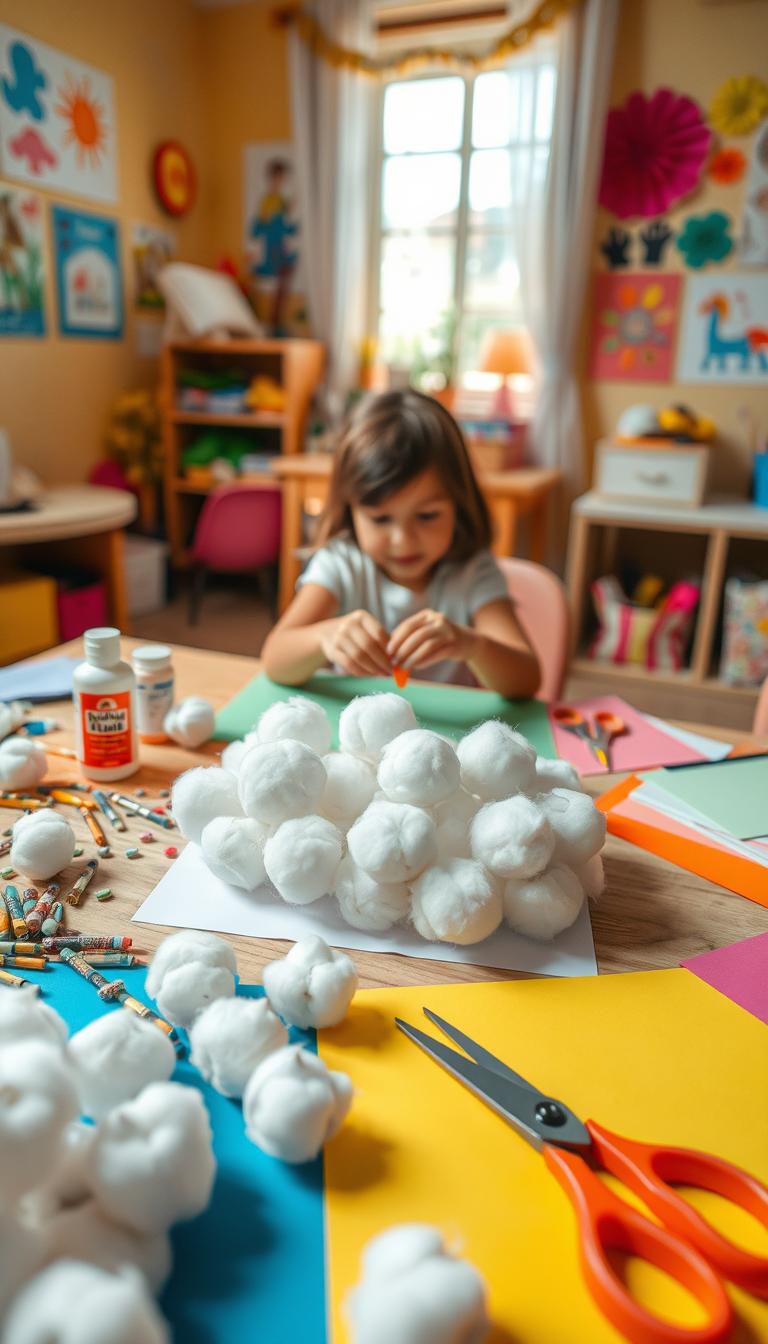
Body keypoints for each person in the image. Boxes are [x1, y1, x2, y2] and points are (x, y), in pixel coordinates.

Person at [262, 389, 540, 698]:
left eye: (427, 516)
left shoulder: (473, 571)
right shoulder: (340, 563)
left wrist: (471, 645)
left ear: (459, 505)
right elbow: (275, 659)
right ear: (350, 510)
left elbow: (526, 680)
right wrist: (324, 636)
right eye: (380, 519)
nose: (403, 541)